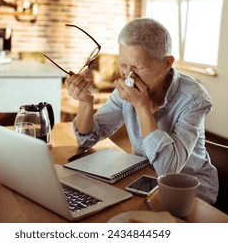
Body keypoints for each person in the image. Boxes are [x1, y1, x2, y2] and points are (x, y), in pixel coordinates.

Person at [65, 18, 218, 204]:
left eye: (138, 67)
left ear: (167, 64)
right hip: (143, 181)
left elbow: (167, 169)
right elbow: (86, 139)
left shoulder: (193, 98)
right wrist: (85, 103)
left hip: (189, 193)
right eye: (122, 64)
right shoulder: (126, 86)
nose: (128, 76)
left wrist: (141, 106)